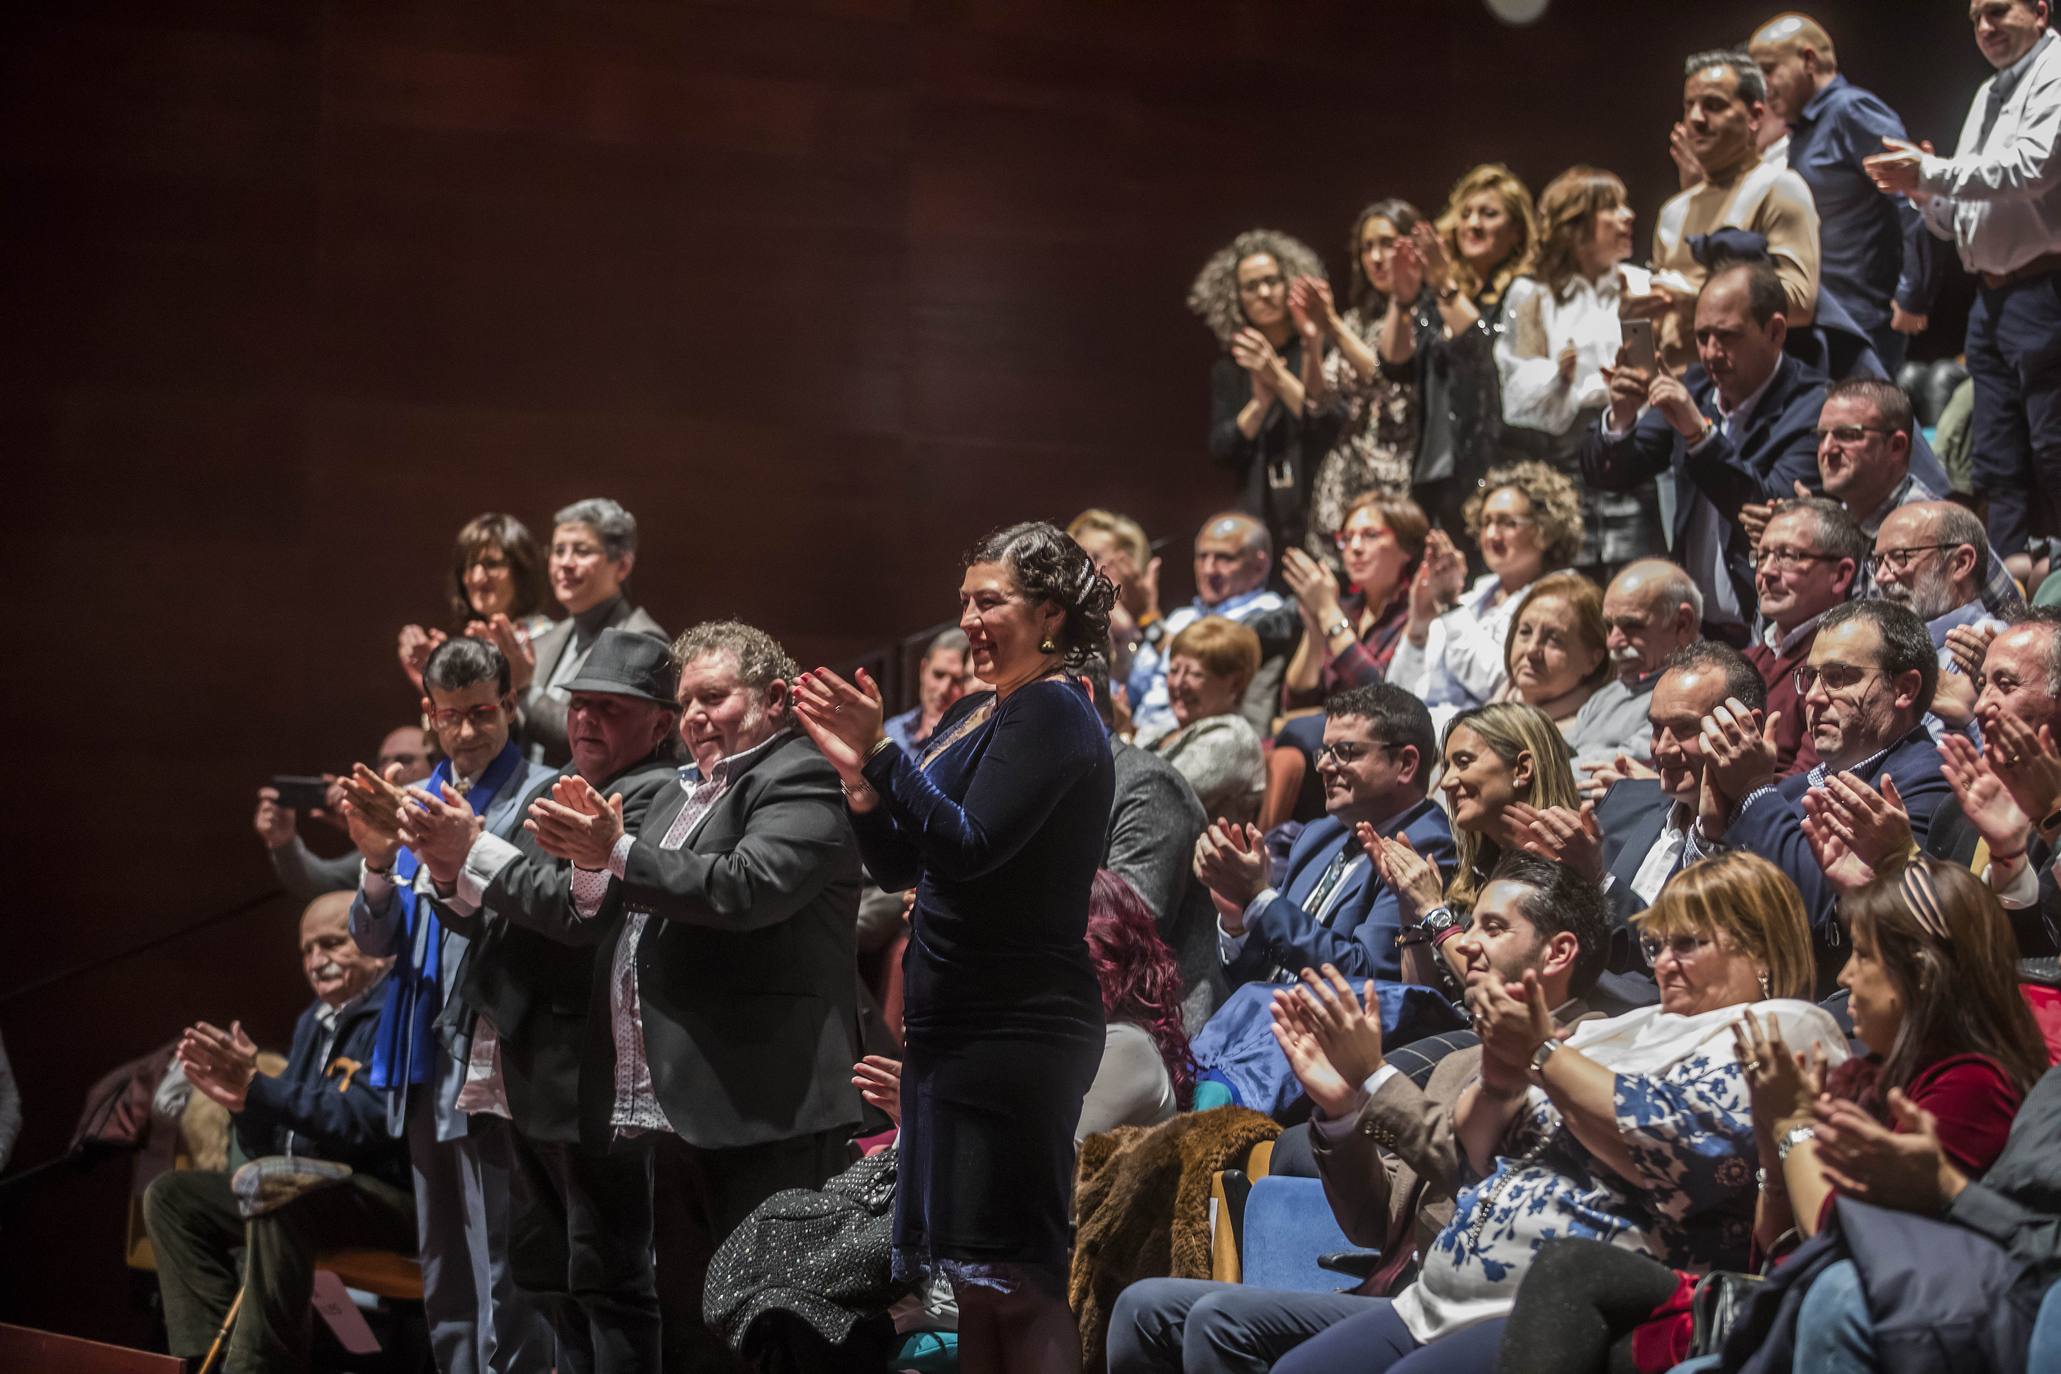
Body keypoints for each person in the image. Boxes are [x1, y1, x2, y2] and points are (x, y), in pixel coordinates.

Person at [1235, 852, 1840, 1373]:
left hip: (1558, 1304)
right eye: (1657, 944)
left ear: (1760, 949)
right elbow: (1475, 1154)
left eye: (1689, 944)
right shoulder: (1628, 1027)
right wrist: (1496, 1083)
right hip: (1437, 1295)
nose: (1662, 964)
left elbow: (1671, 1145)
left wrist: (1540, 1054)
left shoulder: (1782, 1027)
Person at [1495, 856, 2043, 1374]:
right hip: (1769, 1294)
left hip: (1842, 1313)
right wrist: (1774, 1145)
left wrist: (1790, 1127)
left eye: (1863, 955)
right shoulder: (1864, 1075)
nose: (1846, 976)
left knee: (1571, 1277)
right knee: (1569, 1273)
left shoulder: (1970, 1084)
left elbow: (1848, 1242)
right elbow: (1773, 1246)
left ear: (1921, 973)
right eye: (1655, 945)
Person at [790, 520, 1117, 1374]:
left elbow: (972, 846)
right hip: (955, 1027)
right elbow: (906, 859)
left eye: (991, 601)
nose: (969, 618)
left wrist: (882, 754)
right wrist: (861, 787)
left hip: (1016, 1027)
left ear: (1048, 612)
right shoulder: (982, 709)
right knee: (974, 1283)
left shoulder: (1057, 708)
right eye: (963, 602)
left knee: (1021, 1279)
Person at [511, 619, 865, 1371]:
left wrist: (610, 849)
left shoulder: (798, 776)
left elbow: (747, 888)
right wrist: (587, 860)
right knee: (691, 1326)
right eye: (688, 701)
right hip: (676, 1108)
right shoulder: (682, 794)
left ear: (773, 697)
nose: (698, 715)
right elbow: (609, 904)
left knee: (776, 1330)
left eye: (714, 696)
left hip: (767, 1105)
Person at [1105, 853, 1613, 1374]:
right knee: (1143, 1308)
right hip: (1390, 1288)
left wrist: (1375, 1080)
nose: (1465, 943)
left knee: (1218, 1322)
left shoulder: (1594, 1060)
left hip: (1472, 1312)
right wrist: (1342, 1111)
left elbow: (1484, 1172)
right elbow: (1373, 1224)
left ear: (1558, 953)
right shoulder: (1457, 1063)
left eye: (1494, 927)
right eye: (1471, 924)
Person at [410, 628, 684, 1374]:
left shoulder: (660, 793)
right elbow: (489, 910)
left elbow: (573, 910)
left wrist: (473, 852)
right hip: (528, 1058)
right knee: (543, 1269)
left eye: (610, 708)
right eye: (579, 704)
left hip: (593, 1072)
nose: (587, 720)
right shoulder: (555, 781)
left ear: (661, 723)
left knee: (608, 1277)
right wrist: (444, 867)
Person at [338, 637, 556, 1374]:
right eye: (453, 716)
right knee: (445, 1265)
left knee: (505, 1258)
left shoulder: (540, 792)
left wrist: (455, 853)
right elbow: (375, 936)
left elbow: (532, 918)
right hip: (421, 1049)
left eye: (484, 712)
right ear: (429, 715)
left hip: (496, 1047)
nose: (468, 732)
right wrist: (374, 857)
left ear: (510, 704)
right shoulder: (415, 799)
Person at [142, 892, 409, 1374]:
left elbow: (372, 1122)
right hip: (315, 1194)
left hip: (390, 1200)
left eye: (331, 943)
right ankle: (210, 1360)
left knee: (276, 1189)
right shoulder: (314, 1020)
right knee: (173, 1198)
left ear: (376, 942)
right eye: (306, 951)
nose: (315, 961)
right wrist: (245, 1104)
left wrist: (261, 1089)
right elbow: (276, 1145)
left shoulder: (399, 1011)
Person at [1865, 0, 2061, 573]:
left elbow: (2032, 169)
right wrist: (1926, 194)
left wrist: (1930, 173)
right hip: (1992, 295)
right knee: (1995, 456)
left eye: (1998, 11)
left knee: (2053, 446)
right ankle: (2008, 584)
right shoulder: (1990, 93)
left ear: (2041, 12)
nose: (1985, 28)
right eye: (1975, 18)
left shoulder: (2056, 71)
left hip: (2046, 287)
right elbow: (1961, 217)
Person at [1691, 598, 1953, 989]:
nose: (1812, 696)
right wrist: (1710, 835)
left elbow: (1816, 911)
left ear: (1905, 688)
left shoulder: (1922, 780)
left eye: (1838, 676)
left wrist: (1751, 792)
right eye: (1810, 677)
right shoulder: (1796, 786)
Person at [1584, 260, 1826, 642]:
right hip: (1695, 633)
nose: (1711, 353)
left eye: (1728, 336)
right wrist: (1622, 418)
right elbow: (1612, 476)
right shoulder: (1697, 387)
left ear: (1776, 331)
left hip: (1770, 635)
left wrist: (1699, 434)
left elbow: (1768, 511)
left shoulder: (1813, 406)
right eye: (1702, 336)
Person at [1194, 684, 1456, 991]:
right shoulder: (1317, 834)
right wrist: (1238, 921)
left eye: (1345, 752)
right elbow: (1261, 973)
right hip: (1259, 1025)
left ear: (1405, 764)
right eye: (1325, 751)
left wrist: (1259, 897)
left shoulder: (1425, 846)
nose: (1322, 766)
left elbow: (1369, 978)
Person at [1747, 13, 1939, 371]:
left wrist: (1913, 294)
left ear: (1808, 60)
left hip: (1864, 321)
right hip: (1825, 318)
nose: (1763, 86)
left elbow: (1912, 200)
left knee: (1867, 423)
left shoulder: (1851, 109)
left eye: (1769, 70)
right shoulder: (1802, 129)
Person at [1496, 165, 1667, 566]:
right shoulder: (1533, 295)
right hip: (1563, 460)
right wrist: (1557, 376)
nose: (1628, 216)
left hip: (1635, 453)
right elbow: (1516, 383)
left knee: (1638, 568)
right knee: (1571, 577)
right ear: (1576, 224)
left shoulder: (1641, 285)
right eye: (1611, 207)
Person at [1385, 166, 1538, 544]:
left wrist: (1442, 282)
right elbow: (1394, 366)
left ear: (1517, 231)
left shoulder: (1523, 293)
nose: (1473, 224)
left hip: (1494, 466)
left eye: (1489, 214)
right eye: (1466, 214)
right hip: (1433, 471)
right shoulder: (1436, 299)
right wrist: (1402, 298)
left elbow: (1482, 353)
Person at [1641, 50, 1819, 371]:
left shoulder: (1778, 187)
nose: (1695, 118)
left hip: (1740, 393)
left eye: (1714, 105)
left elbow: (1800, 302)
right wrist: (1634, 316)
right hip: (1670, 391)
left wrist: (1699, 299)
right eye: (1688, 106)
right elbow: (1660, 321)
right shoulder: (1673, 209)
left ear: (1754, 117)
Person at [1085, 652, 1221, 1033]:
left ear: (1080, 695)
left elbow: (1120, 943)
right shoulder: (1037, 787)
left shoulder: (1145, 785)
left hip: (1148, 1032)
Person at [1386, 461, 1581, 712]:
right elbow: (1395, 690)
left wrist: (1449, 605)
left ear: (1546, 530)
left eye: (1507, 523)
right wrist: (1418, 628)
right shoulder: (1470, 599)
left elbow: (1504, 684)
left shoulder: (1560, 600)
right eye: (1486, 522)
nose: (1491, 535)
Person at [1293, 200, 1426, 565]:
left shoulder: (1420, 312)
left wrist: (1331, 324)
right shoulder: (1357, 319)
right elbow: (1318, 400)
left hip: (1395, 474)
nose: (1377, 257)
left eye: (1387, 243)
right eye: (1367, 247)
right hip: (1344, 474)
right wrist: (1311, 340)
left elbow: (1385, 377)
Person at [1191, 231, 1332, 562]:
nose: (1264, 293)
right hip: (1260, 510)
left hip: (1316, 500)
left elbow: (1327, 422)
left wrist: (1277, 375)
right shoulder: (1231, 366)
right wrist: (1259, 403)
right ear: (1235, 297)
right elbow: (1223, 450)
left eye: (1272, 281)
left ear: (1289, 284)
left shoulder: (1316, 346)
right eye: (1251, 287)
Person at [507, 498, 667, 766]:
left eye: (581, 551)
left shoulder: (642, 640)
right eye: (558, 551)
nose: (565, 563)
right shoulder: (549, 638)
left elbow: (600, 737)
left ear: (623, 565)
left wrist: (525, 691)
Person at [1127, 512, 1287, 745]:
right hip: (1139, 737)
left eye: (1224, 558)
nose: (1209, 569)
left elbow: (1209, 658)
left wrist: (1150, 621)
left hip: (1195, 743)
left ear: (1259, 566)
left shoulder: (1270, 614)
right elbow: (1135, 688)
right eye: (1202, 557)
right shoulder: (1181, 618)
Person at [1745, 498, 1866, 775]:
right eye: (1761, 556)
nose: (1766, 572)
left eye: (1788, 556)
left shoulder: (1843, 670)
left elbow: (1811, 783)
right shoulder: (1747, 659)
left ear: (1841, 574)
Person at [1280, 490, 1430, 708]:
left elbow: (1383, 697)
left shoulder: (1419, 614)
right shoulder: (1347, 609)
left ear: (1407, 547)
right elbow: (1295, 702)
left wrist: (1328, 612)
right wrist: (1314, 629)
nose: (1355, 548)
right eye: (1347, 539)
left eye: (1371, 535)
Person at [1872, 500, 2013, 728]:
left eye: (1899, 557)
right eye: (1878, 561)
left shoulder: (1992, 649)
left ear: (1961, 563)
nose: (1881, 577)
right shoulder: (1888, 644)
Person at [256, 726, 435, 900]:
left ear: (435, 765)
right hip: (391, 920)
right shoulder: (377, 834)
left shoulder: (447, 812)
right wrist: (283, 841)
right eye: (382, 762)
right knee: (324, 913)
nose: (388, 769)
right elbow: (319, 883)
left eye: (404, 759)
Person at [1570, 560, 1704, 777]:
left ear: (1682, 624)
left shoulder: (1697, 693)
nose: (1613, 642)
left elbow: (1630, 762)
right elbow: (1559, 750)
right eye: (1609, 627)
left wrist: (1542, 772)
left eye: (1631, 626)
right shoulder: (1607, 695)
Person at [398, 512, 555, 694]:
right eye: (470, 565)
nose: (478, 577)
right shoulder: (470, 646)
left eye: (492, 564)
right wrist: (436, 688)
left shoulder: (550, 639)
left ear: (521, 572)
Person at [1147, 617, 1266, 826]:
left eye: (1194, 674)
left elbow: (1153, 796)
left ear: (1234, 684)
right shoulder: (1164, 730)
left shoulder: (1232, 739)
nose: (1178, 683)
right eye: (1174, 670)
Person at [1502, 571, 1612, 750]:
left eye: (1554, 639)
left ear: (1593, 660)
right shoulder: (1489, 707)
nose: (1531, 650)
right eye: (1525, 632)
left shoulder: (1588, 737)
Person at [1068, 508, 1161, 686]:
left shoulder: (1154, 641)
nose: (1082, 566)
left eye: (1095, 557)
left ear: (1130, 567)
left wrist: (1126, 636)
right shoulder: (1057, 625)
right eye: (1076, 555)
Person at [885, 629, 971, 755]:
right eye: (938, 674)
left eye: (957, 681)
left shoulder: (970, 746)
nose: (943, 689)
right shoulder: (891, 730)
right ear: (923, 670)